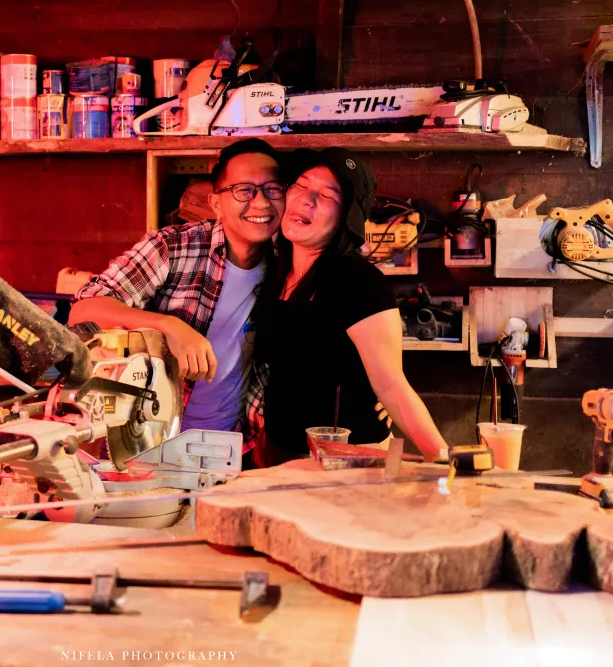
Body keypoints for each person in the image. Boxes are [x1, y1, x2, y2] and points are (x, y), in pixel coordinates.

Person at [247, 149, 449, 466]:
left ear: (346, 218)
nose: (307, 199)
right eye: (301, 184)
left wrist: (444, 462)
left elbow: (393, 387)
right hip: (279, 456)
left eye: (327, 195)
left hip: (346, 464)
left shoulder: (359, 282)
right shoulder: (275, 270)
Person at [70, 138, 285, 435]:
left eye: (273, 189)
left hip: (234, 441)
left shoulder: (287, 265)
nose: (261, 202)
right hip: (149, 438)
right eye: (244, 190)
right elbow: (83, 311)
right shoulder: (174, 247)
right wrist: (168, 326)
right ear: (216, 204)